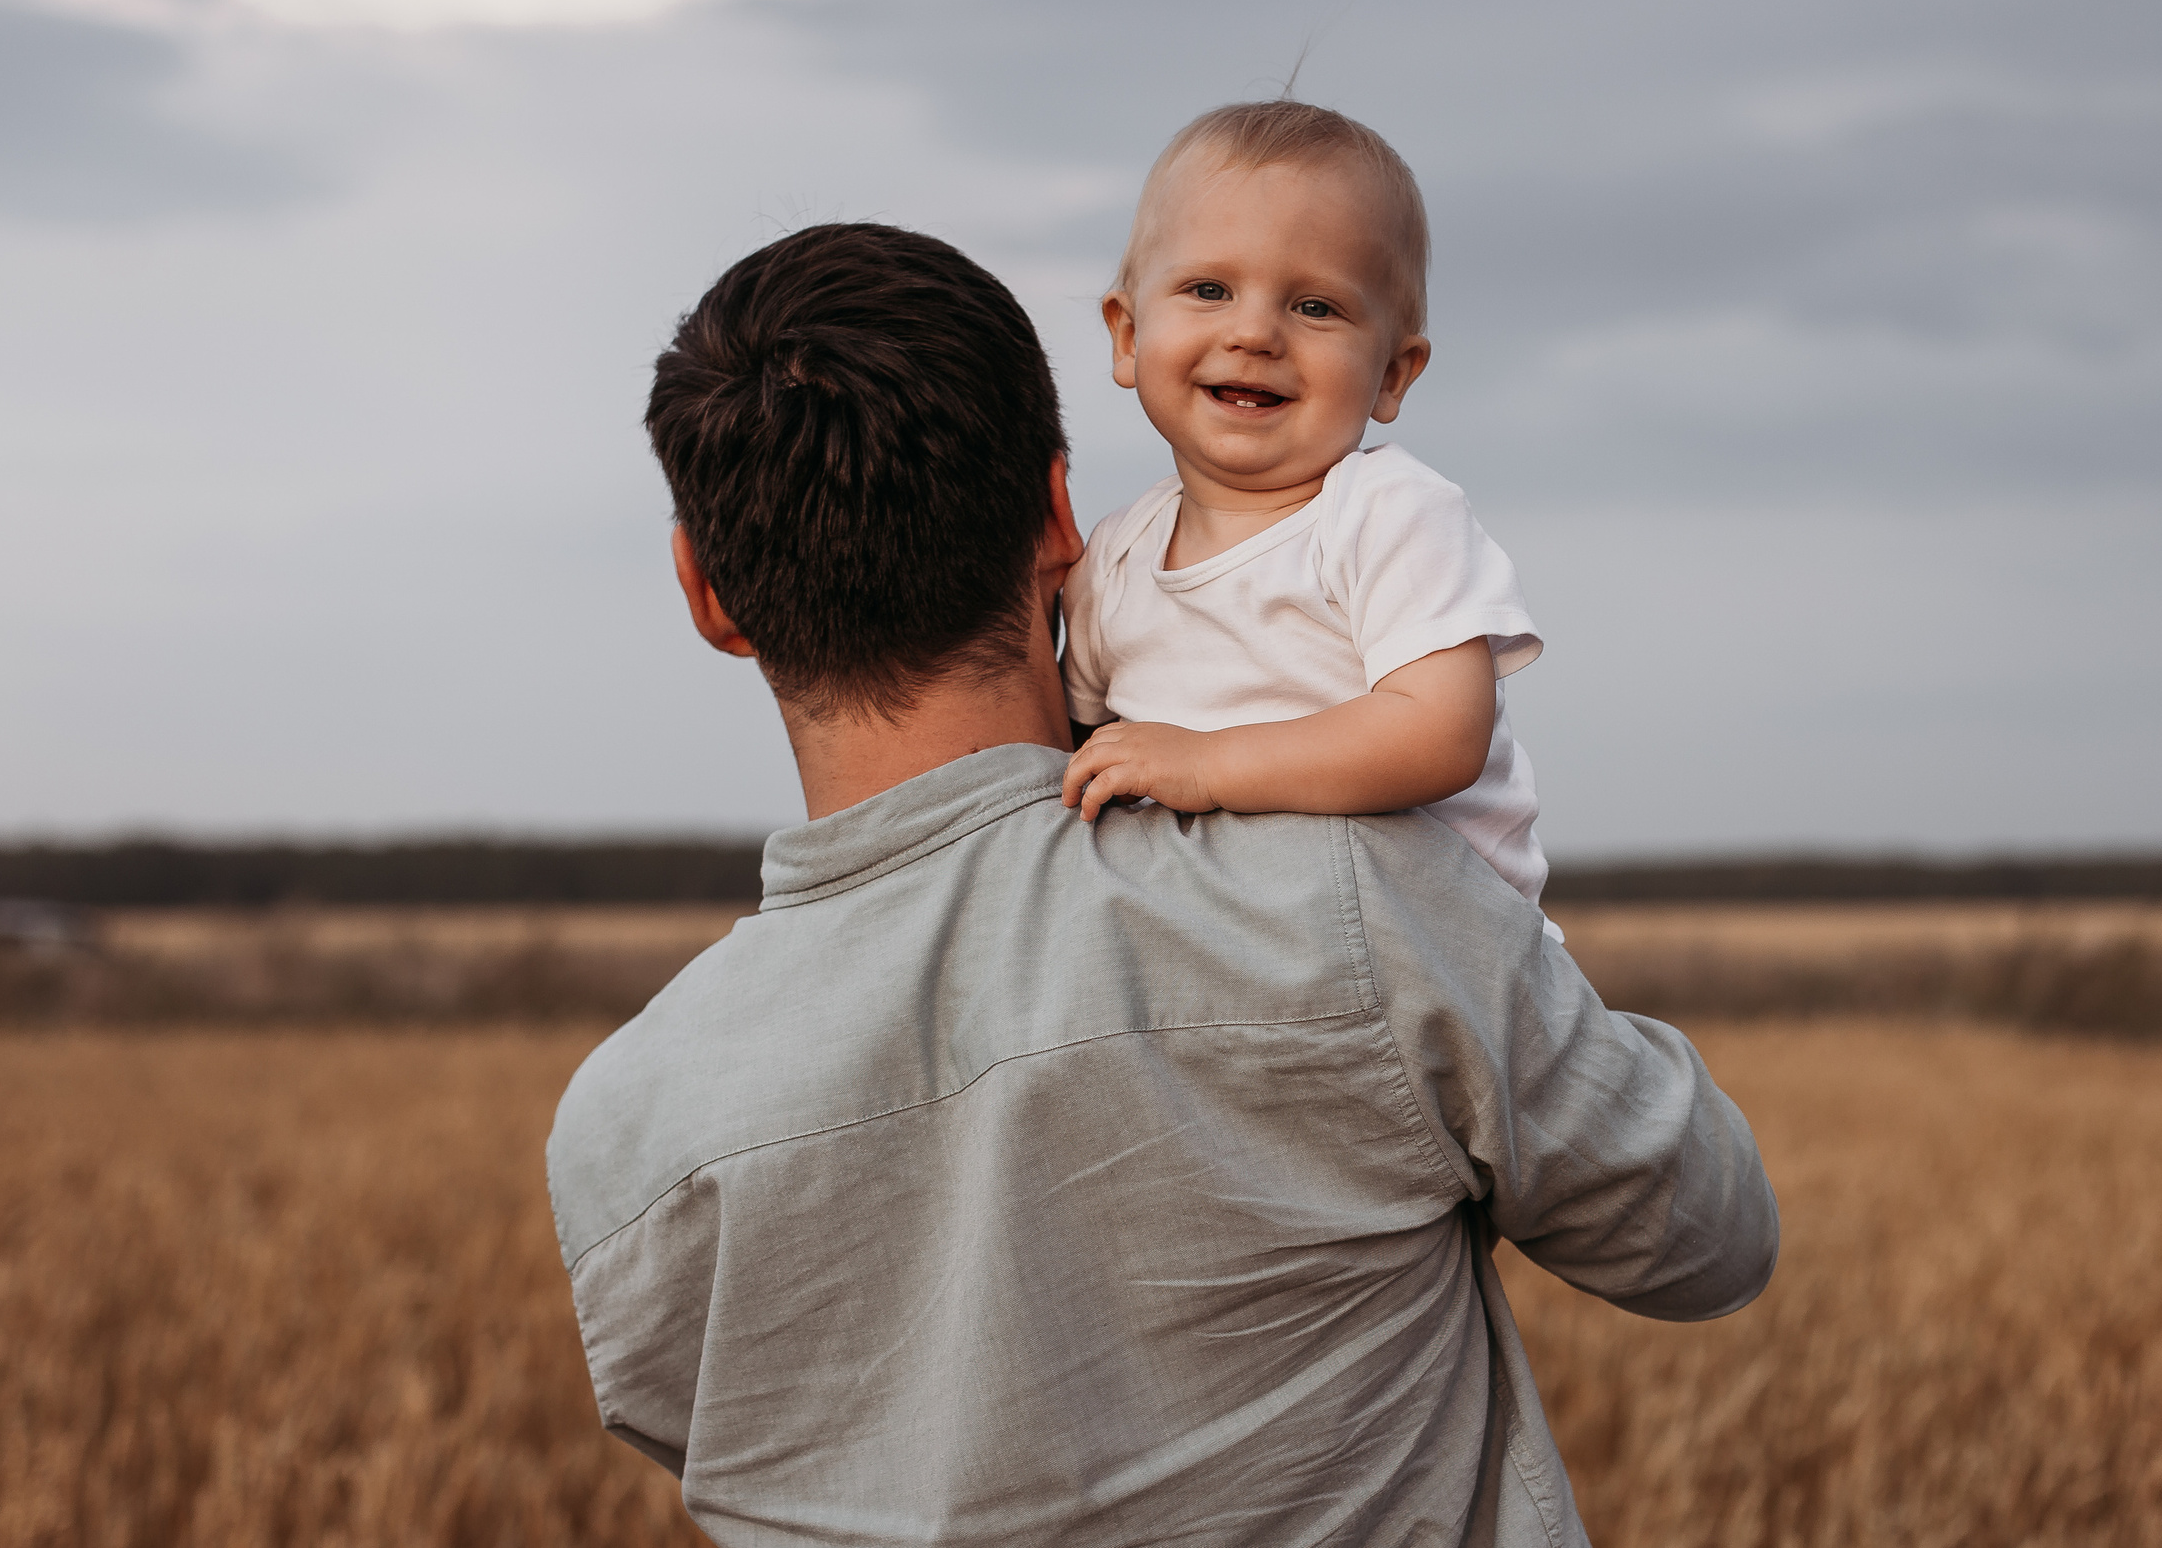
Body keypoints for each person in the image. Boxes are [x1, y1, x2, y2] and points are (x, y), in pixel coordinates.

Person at [546, 220, 1778, 1547]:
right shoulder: (1353, 895)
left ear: (708, 594)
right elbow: (1709, 1234)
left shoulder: (620, 1132)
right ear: (1063, 519)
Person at [1062, 100, 1550, 911]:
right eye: (1209, 289)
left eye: (1315, 307)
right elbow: (1077, 750)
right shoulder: (1115, 558)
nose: (1254, 332)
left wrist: (1207, 765)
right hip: (1222, 942)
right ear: (1127, 334)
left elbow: (1438, 733)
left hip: (1428, 947)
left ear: (1393, 373)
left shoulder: (1388, 513)